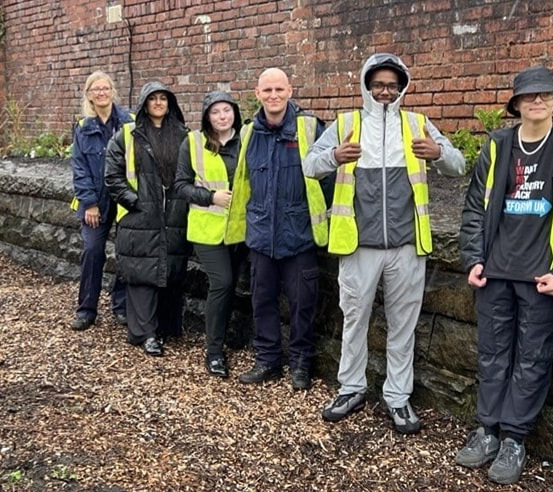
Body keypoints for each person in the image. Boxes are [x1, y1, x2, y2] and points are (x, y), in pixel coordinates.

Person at [303, 53, 465, 434]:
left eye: (392, 85)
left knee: (403, 326)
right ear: (366, 86)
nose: (385, 91)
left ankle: (397, 397)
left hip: (407, 245)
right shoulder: (347, 123)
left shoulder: (418, 124)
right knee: (354, 320)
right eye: (378, 84)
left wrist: (438, 153)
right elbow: (309, 165)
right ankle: (351, 388)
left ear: (402, 87)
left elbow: (458, 165)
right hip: (359, 245)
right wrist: (334, 156)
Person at [455, 65, 553, 484]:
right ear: (515, 104)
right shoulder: (498, 146)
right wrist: (473, 259)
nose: (537, 101)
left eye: (545, 95)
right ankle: (487, 429)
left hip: (542, 277)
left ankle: (514, 438)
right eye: (528, 96)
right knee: (492, 355)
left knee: (533, 359)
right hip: (495, 272)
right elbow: (475, 207)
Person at [232, 68, 332, 391]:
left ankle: (300, 364)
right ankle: (268, 360)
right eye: (267, 90)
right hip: (261, 236)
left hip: (299, 235)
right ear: (257, 93)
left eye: (279, 89)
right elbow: (244, 181)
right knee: (262, 301)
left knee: (303, 304)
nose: (273, 96)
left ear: (290, 90)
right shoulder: (248, 133)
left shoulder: (309, 127)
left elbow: (328, 179)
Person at [105, 81, 192, 356]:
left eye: (163, 99)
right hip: (139, 216)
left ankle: (166, 327)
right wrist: (134, 202)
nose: (158, 103)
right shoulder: (127, 135)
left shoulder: (182, 135)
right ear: (144, 103)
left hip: (173, 214)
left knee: (169, 270)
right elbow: (113, 176)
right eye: (152, 99)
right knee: (142, 275)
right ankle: (145, 333)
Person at [175, 90, 247, 378]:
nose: (222, 116)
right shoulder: (192, 142)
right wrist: (210, 196)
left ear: (234, 114)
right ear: (207, 116)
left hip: (240, 229)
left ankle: (228, 335)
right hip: (207, 229)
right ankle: (214, 352)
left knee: (237, 286)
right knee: (223, 282)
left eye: (227, 111)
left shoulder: (245, 141)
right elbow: (180, 186)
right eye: (215, 112)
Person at [69, 71, 132, 331]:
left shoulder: (129, 122)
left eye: (105, 88)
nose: (101, 93)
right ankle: (86, 309)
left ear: (113, 91)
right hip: (95, 201)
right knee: (93, 251)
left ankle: (122, 306)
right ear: (89, 95)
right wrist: (90, 203)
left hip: (125, 199)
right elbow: (79, 167)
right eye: (96, 89)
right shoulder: (83, 127)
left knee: (126, 253)